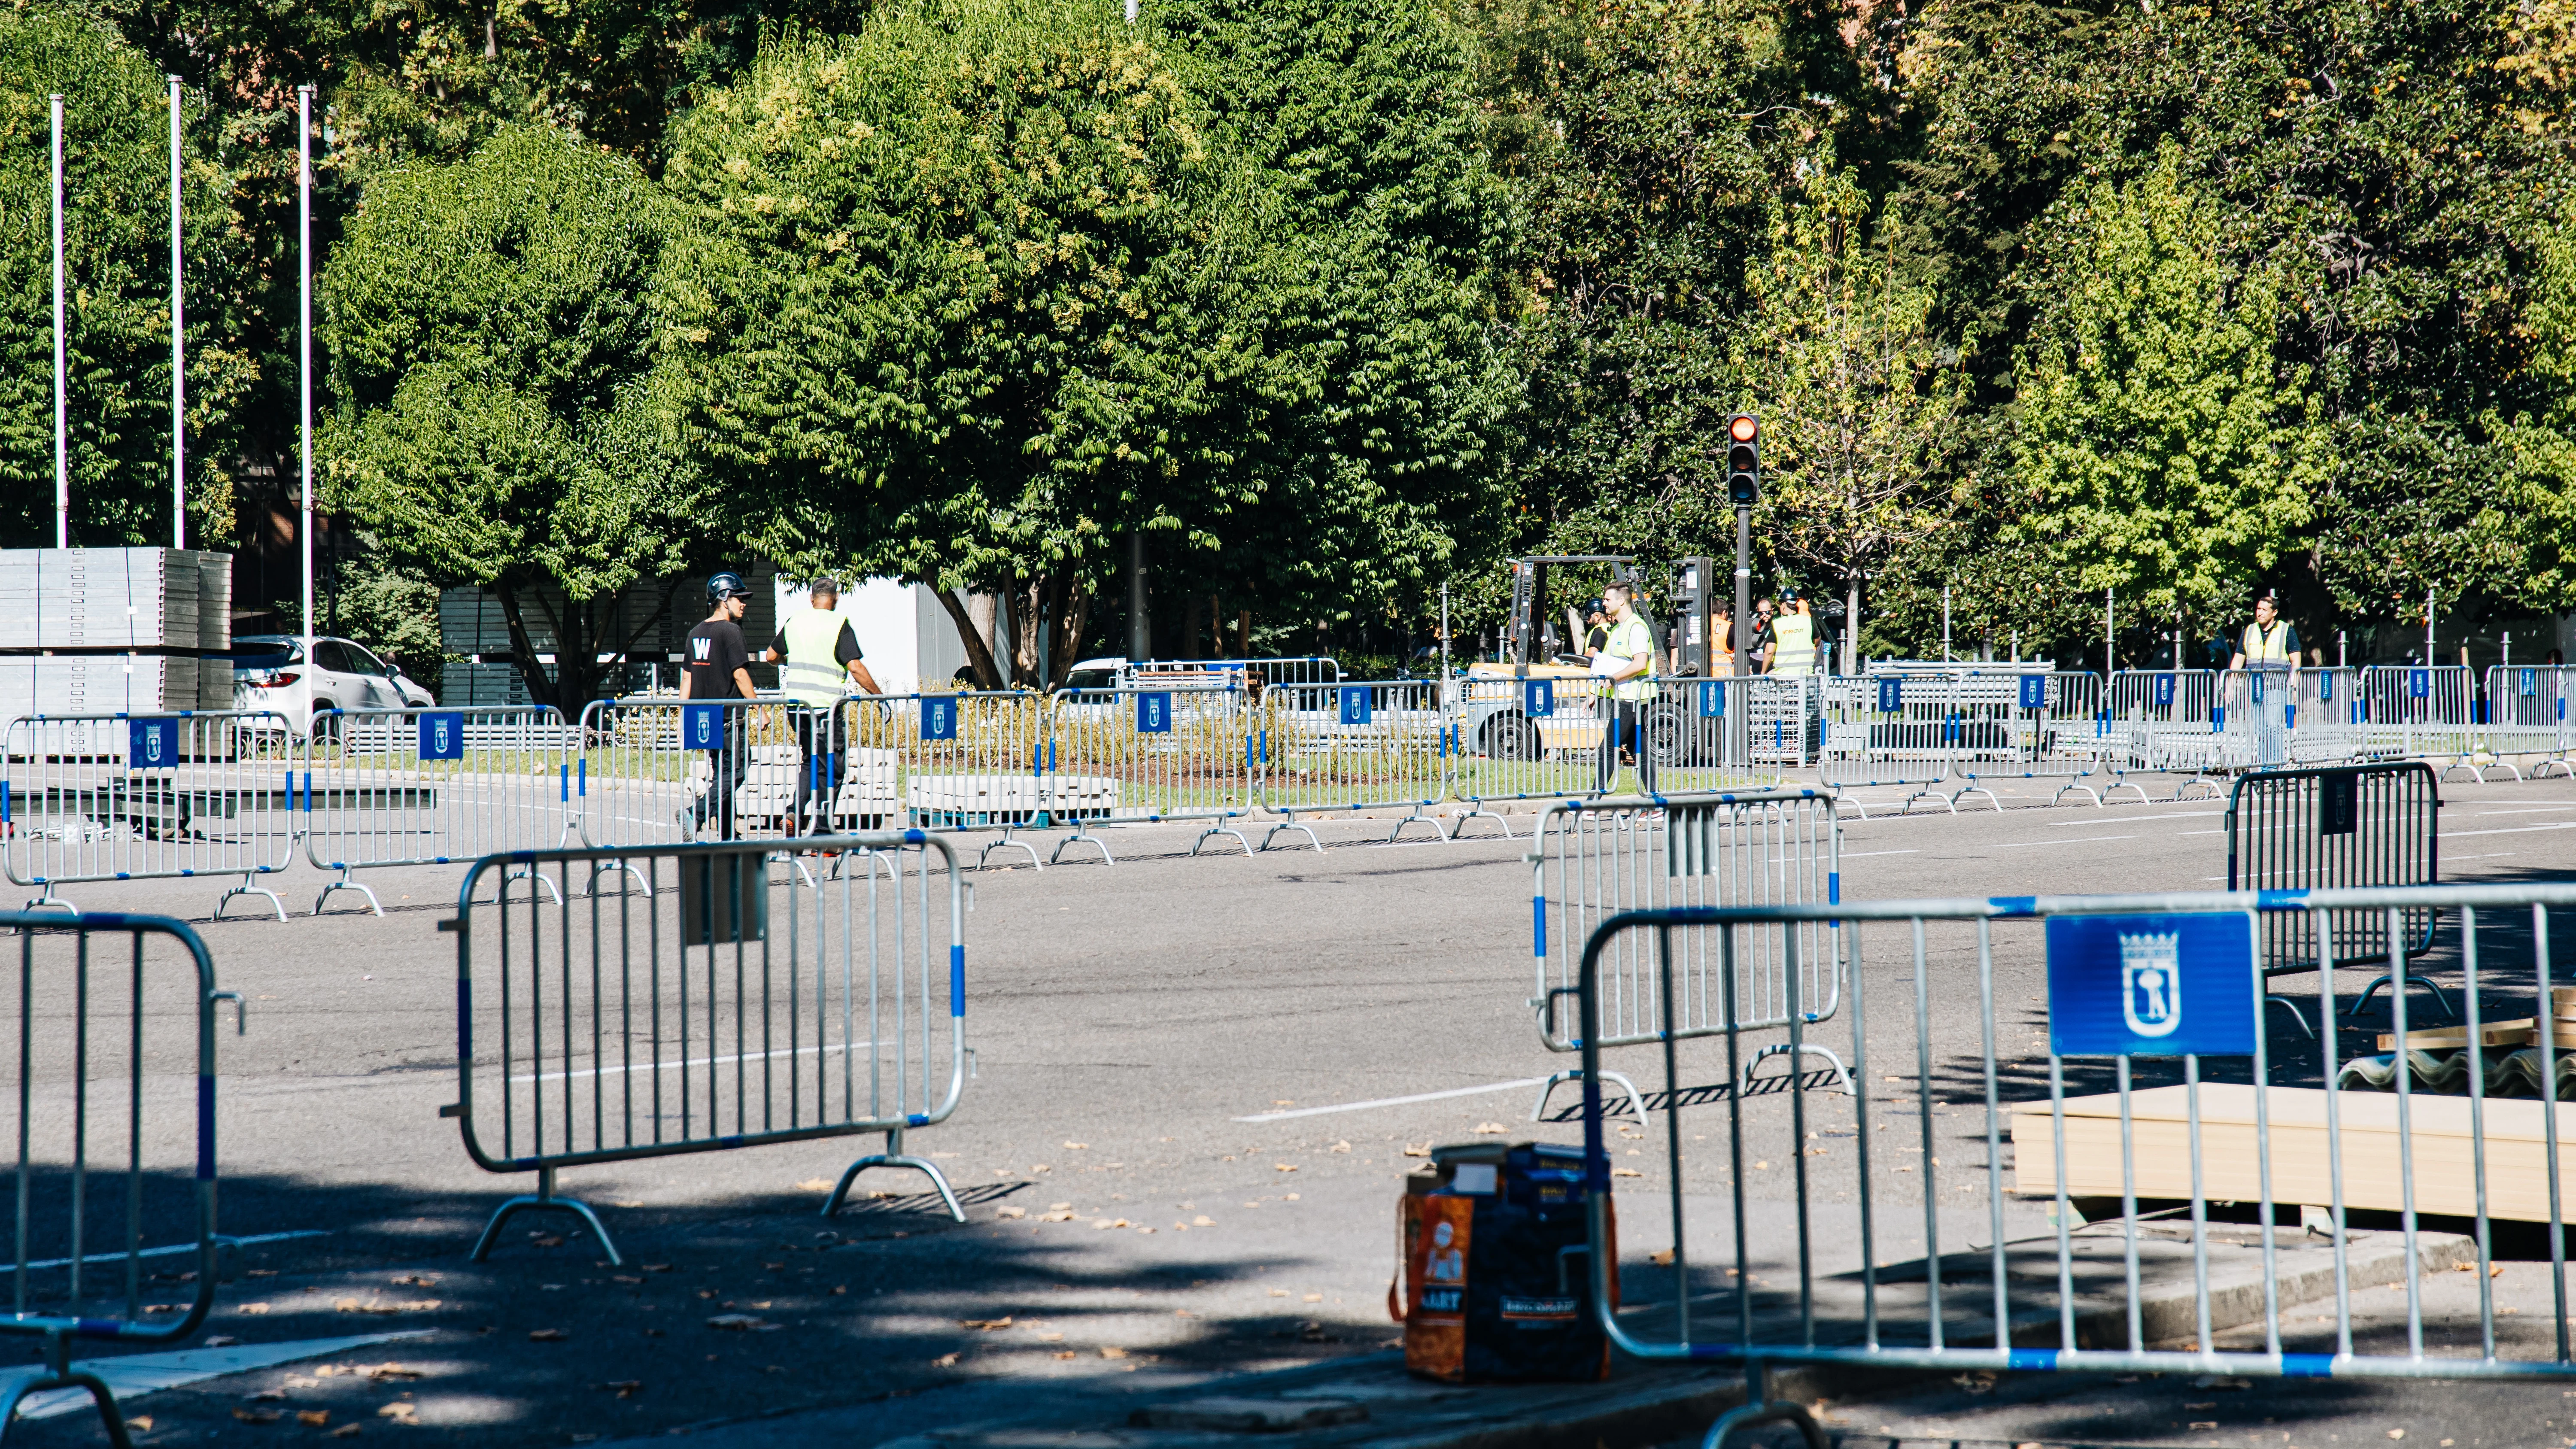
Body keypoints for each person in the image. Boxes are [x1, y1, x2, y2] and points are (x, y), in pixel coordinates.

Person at [766, 578, 880, 835]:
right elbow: (855, 667)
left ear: (811, 598)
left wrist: (790, 661)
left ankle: (795, 811)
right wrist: (878, 697)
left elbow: (771, 656)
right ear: (836, 598)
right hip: (825, 710)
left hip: (797, 708)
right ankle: (823, 828)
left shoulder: (795, 621)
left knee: (810, 761)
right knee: (834, 767)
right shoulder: (839, 624)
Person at [680, 572, 758, 841]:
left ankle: (728, 834)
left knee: (723, 774)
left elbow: (688, 677)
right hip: (728, 719)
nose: (744, 603)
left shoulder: (696, 632)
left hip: (705, 718)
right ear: (724, 599)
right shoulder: (731, 631)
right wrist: (759, 707)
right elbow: (740, 673)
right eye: (739, 598)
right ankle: (696, 813)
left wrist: (683, 715)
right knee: (736, 771)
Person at [1588, 581, 1659, 794]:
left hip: (1632, 698)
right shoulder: (1618, 628)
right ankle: (1656, 800)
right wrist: (1594, 693)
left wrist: (1613, 680)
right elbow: (1608, 666)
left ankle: (1592, 801)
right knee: (1640, 751)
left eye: (1608, 600)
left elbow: (1640, 663)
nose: (1604, 603)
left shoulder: (1636, 627)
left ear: (1622, 601)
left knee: (1608, 749)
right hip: (1624, 698)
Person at [2228, 593, 2300, 671]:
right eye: (2259, 609)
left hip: (2278, 682)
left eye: (2265, 610)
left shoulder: (2286, 630)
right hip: (2254, 681)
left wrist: (2294, 683)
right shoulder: (2249, 631)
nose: (2260, 613)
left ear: (2275, 613)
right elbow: (2238, 660)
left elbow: (2296, 662)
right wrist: (2232, 681)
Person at [1766, 592, 1818, 677]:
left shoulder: (1777, 624)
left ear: (1783, 605)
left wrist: (1763, 673)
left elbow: (1769, 652)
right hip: (1806, 676)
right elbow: (1817, 642)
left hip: (1783, 676)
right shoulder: (1809, 621)